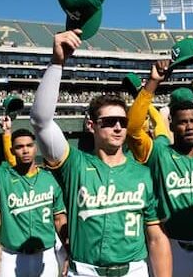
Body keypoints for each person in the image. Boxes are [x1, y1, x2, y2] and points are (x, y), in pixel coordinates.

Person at [30, 29, 172, 277]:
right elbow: (41, 121)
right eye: (108, 121)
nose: (118, 126)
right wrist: (57, 63)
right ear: (91, 125)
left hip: (134, 271)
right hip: (85, 271)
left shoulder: (143, 173)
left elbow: (156, 238)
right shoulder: (74, 164)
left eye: (122, 121)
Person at [127, 72, 193, 276]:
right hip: (172, 249)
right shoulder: (160, 153)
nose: (189, 126)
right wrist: (152, 83)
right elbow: (132, 129)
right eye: (183, 122)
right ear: (172, 125)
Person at [0, 115, 68, 277]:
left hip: (46, 255)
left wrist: (68, 251)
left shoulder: (50, 179)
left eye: (29, 145)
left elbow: (59, 219)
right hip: (12, 256)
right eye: (19, 147)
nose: (25, 150)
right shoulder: (1, 177)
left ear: (36, 148)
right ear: (12, 150)